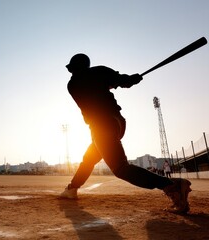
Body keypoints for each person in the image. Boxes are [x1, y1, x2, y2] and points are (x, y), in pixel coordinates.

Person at [59, 53, 192, 213]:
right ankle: (72, 188)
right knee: (89, 159)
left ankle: (171, 185)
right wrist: (130, 79)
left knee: (120, 168)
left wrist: (125, 80)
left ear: (74, 68)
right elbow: (120, 81)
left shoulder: (72, 84)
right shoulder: (99, 72)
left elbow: (106, 83)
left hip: (101, 125)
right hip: (117, 122)